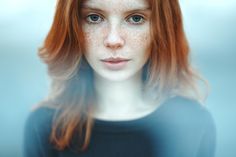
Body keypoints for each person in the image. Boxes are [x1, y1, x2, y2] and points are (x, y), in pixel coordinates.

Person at [23, 0, 216, 157]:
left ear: (162, 27)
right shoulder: (45, 126)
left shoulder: (194, 124)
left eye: (136, 18)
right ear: (73, 26)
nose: (113, 40)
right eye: (94, 17)